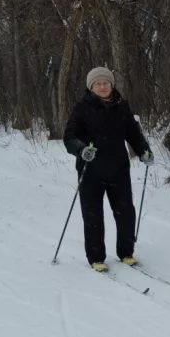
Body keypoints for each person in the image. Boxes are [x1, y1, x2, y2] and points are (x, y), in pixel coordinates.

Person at [63, 66, 154, 272]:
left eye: (106, 83)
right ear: (91, 86)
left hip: (118, 167)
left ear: (111, 85)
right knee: (93, 214)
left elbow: (133, 133)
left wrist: (144, 151)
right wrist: (81, 149)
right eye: (98, 84)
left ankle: (126, 253)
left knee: (125, 212)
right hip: (91, 170)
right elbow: (69, 137)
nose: (103, 87)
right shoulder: (82, 108)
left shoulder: (121, 106)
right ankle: (96, 257)